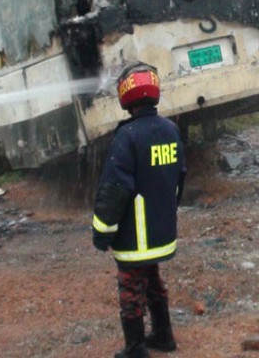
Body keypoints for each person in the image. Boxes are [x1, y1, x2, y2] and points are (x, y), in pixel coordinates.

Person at [92, 63, 187, 358]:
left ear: (126, 95)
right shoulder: (171, 130)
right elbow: (179, 178)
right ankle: (163, 334)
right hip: (161, 231)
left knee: (131, 289)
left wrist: (102, 231)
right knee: (153, 281)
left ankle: (136, 349)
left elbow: (114, 191)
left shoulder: (127, 137)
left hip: (136, 238)